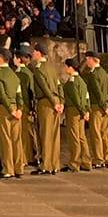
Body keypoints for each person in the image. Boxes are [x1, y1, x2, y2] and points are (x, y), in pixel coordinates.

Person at [29, 42, 62, 175]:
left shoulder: (38, 69)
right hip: (56, 101)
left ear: (39, 53)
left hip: (46, 102)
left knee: (46, 134)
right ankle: (55, 164)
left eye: (34, 51)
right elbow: (59, 85)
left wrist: (54, 102)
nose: (32, 54)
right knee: (55, 135)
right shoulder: (52, 67)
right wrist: (60, 101)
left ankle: (46, 165)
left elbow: (44, 88)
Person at [0, 47, 23, 179]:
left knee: (5, 139)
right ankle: (18, 167)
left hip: (4, 108)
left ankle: (8, 169)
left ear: (1, 58)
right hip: (16, 107)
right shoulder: (14, 75)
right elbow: (19, 94)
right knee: (16, 139)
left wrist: (10, 109)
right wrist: (19, 109)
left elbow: (2, 94)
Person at [81, 52, 108, 169]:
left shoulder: (93, 75)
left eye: (87, 59)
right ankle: (107, 158)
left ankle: (98, 159)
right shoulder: (105, 74)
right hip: (106, 107)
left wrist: (104, 106)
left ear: (92, 60)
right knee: (105, 134)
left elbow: (97, 93)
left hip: (97, 107)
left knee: (96, 134)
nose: (86, 61)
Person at [60, 58, 93, 172]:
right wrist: (86, 111)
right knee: (81, 137)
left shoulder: (71, 82)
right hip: (81, 110)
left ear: (70, 67)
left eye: (66, 66)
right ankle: (86, 162)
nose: (65, 69)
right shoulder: (81, 81)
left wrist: (82, 111)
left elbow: (76, 99)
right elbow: (87, 97)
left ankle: (74, 163)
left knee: (74, 137)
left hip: (74, 111)